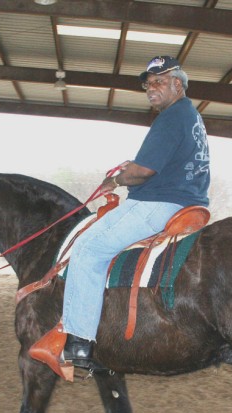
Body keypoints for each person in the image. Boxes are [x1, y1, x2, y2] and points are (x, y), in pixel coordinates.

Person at [60, 55, 211, 369]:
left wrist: (113, 181)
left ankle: (79, 343)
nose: (152, 89)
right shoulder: (191, 116)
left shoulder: (170, 117)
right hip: (187, 202)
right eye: (149, 84)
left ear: (178, 84)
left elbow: (144, 172)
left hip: (158, 203)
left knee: (87, 248)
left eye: (159, 82)